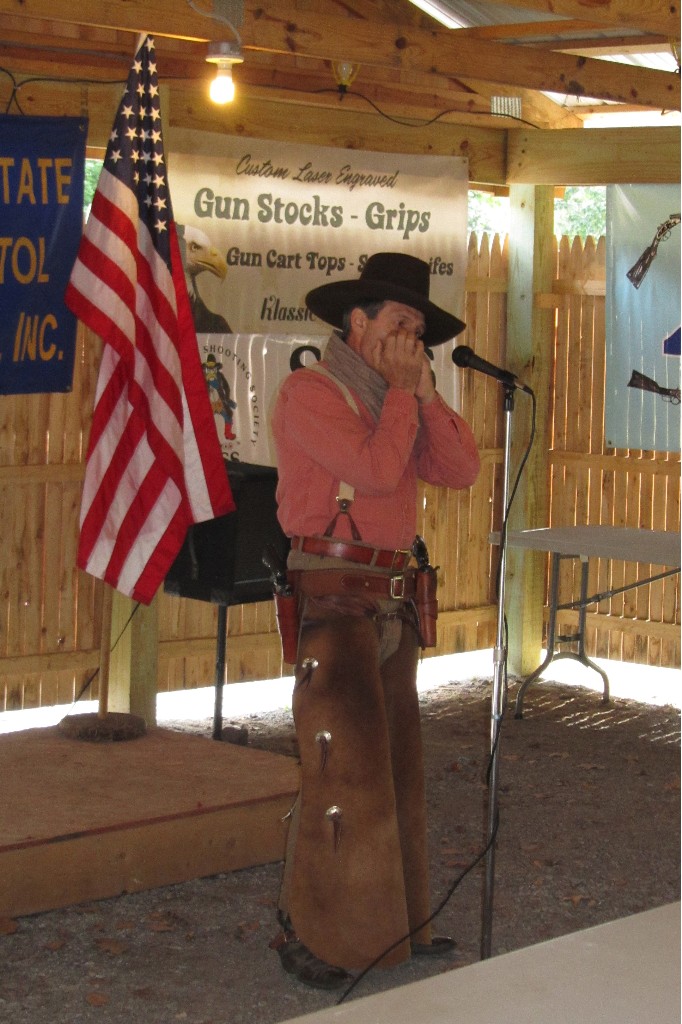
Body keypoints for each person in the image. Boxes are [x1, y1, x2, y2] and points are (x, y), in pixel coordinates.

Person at [269, 252, 480, 990]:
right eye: (401, 324)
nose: (413, 341)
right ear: (357, 323)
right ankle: (315, 936)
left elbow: (459, 469)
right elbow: (380, 469)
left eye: (420, 330)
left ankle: (392, 928)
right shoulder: (309, 391)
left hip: (391, 599)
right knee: (340, 777)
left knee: (395, 774)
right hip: (333, 599)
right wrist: (401, 396)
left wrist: (424, 396)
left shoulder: (401, 397)